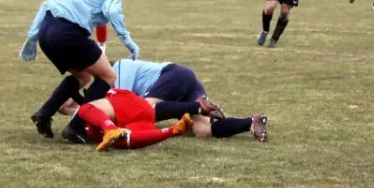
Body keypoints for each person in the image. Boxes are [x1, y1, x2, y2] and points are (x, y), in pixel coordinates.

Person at [19, 0, 140, 144]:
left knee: (83, 76)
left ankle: (44, 114)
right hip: (68, 33)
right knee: (108, 76)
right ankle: (75, 127)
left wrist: (33, 37)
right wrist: (128, 42)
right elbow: (112, 12)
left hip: (47, 31)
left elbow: (46, 4)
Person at [59, 58, 268, 142]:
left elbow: (121, 110)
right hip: (185, 84)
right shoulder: (112, 76)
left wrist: (75, 110)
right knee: (203, 131)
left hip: (176, 75)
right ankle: (251, 122)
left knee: (148, 108)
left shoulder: (115, 71)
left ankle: (198, 106)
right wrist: (74, 109)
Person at [78, 89, 193, 152]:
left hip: (129, 103)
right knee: (121, 139)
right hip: (145, 113)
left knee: (85, 109)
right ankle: (173, 130)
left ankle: (110, 129)